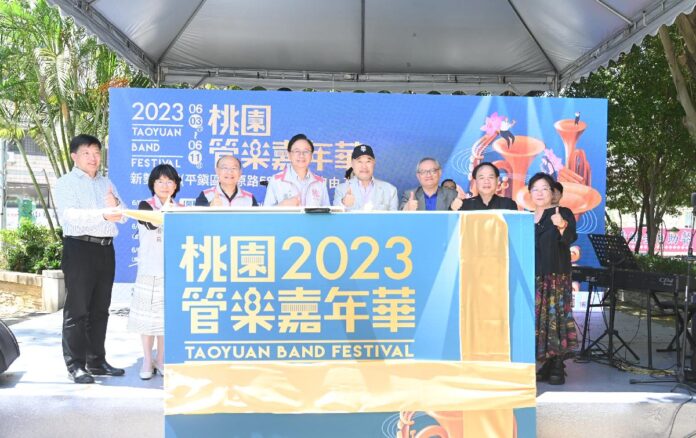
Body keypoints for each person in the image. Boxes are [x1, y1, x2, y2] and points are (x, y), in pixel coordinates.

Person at [54, 134, 125, 384]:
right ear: (74, 156)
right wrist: (104, 214)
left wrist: (116, 206)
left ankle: (96, 360)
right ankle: (75, 365)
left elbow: (122, 214)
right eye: (86, 153)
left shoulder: (107, 182)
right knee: (77, 310)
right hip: (79, 248)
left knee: (100, 309)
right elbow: (70, 216)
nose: (93, 158)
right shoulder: (65, 183)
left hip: (106, 249)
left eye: (96, 153)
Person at [129, 164, 181, 380]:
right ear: (152, 184)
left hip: (172, 271)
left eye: (169, 181)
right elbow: (152, 223)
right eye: (160, 181)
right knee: (147, 319)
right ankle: (146, 360)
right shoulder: (145, 206)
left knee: (165, 319)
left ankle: (161, 359)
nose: (165, 185)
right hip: (149, 271)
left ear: (176, 185)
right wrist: (169, 211)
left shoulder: (181, 209)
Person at [528, 172, 577, 385]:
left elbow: (570, 238)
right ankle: (546, 363)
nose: (540, 193)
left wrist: (562, 225)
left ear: (552, 192)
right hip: (533, 278)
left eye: (544, 189)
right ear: (530, 193)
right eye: (535, 189)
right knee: (539, 322)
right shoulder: (525, 217)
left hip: (555, 277)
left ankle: (557, 364)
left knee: (555, 320)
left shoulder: (562, 212)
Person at [263, 133, 330, 207]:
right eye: (297, 151)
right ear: (289, 155)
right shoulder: (276, 181)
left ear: (311, 155)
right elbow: (266, 213)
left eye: (306, 151)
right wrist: (281, 206)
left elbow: (327, 212)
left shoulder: (320, 183)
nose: (301, 155)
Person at [333, 144, 398, 211]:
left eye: (368, 161)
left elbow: (394, 217)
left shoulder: (390, 190)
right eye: (359, 161)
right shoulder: (341, 189)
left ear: (374, 162)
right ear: (352, 163)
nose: (364, 166)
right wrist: (343, 203)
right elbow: (335, 215)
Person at [452, 162, 518, 211]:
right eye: (482, 178)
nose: (486, 181)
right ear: (475, 181)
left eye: (490, 177)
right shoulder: (464, 205)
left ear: (497, 180)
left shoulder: (509, 205)